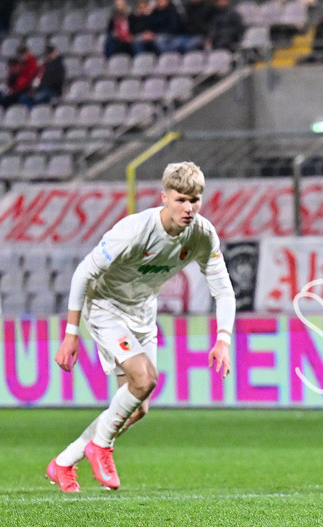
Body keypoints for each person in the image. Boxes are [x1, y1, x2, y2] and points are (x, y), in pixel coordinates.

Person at [48, 162, 235, 493]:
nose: (188, 208)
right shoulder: (134, 231)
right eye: (180, 200)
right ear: (164, 197)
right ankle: (100, 446)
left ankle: (63, 462)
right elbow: (83, 273)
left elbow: (223, 289)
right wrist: (71, 335)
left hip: (142, 312)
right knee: (145, 377)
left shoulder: (202, 234)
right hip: (105, 306)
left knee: (137, 407)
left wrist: (223, 340)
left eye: (195, 200)